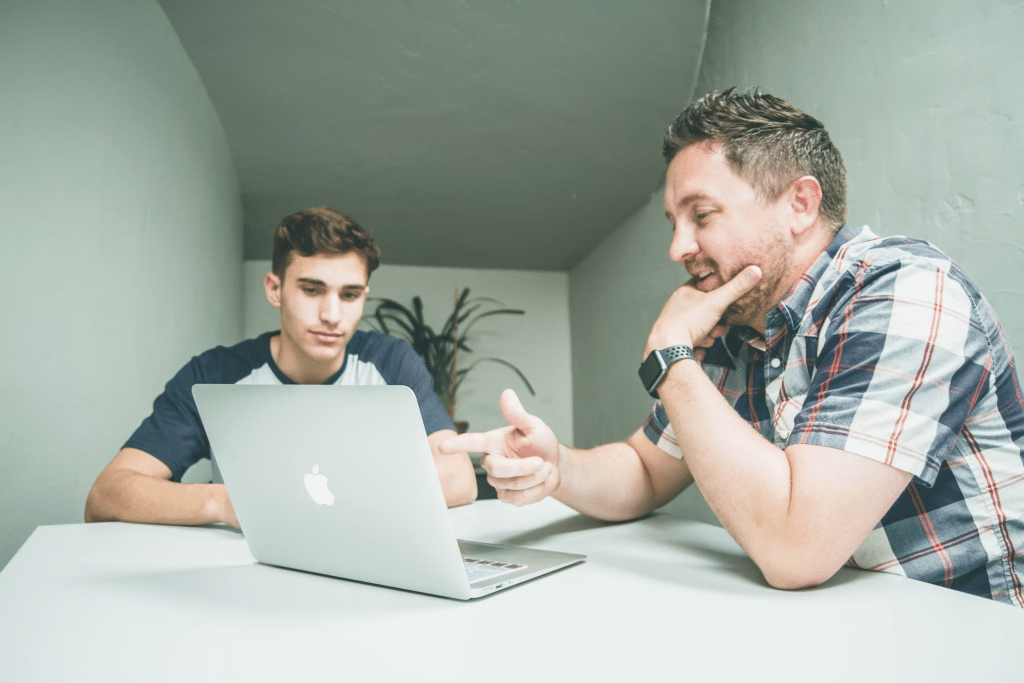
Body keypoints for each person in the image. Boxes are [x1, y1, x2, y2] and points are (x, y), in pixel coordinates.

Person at [441, 89, 1024, 607]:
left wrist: (671, 355)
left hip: (971, 631)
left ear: (800, 203)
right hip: (838, 622)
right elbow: (646, 469)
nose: (678, 247)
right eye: (673, 221)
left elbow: (797, 551)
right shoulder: (740, 323)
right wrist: (557, 466)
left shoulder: (907, 291)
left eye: (701, 215)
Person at [86, 207, 476, 527]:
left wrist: (320, 499)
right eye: (311, 289)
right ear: (275, 289)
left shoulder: (390, 362)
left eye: (350, 294)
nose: (332, 315)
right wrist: (224, 503)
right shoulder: (215, 374)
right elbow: (107, 494)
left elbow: (459, 479)